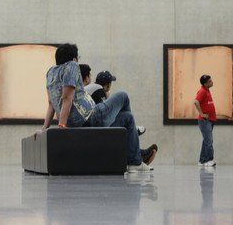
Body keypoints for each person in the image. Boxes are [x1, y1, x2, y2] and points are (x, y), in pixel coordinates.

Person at [43, 43, 157, 172]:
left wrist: (44, 128)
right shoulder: (72, 66)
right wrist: (62, 126)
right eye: (78, 58)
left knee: (128, 117)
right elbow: (67, 98)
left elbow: (51, 103)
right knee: (123, 96)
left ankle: (135, 161)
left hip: (82, 122)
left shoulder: (50, 73)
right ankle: (132, 138)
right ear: (74, 59)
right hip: (90, 117)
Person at [194, 75, 216, 168]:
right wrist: (201, 114)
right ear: (205, 83)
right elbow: (196, 102)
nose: (212, 82)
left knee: (206, 140)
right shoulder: (202, 91)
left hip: (210, 120)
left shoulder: (207, 90)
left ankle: (202, 160)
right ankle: (208, 160)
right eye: (210, 81)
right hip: (204, 120)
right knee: (209, 140)